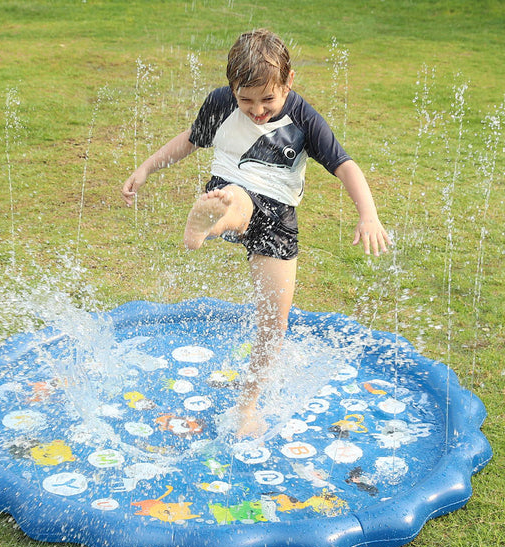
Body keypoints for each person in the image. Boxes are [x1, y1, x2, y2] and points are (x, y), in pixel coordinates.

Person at [121, 29, 391, 438]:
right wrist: (146, 167)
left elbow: (345, 165)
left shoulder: (303, 117)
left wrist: (368, 215)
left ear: (289, 82)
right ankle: (223, 216)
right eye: (245, 100)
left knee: (273, 324)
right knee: (239, 197)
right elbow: (191, 141)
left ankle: (247, 407)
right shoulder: (220, 103)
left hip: (279, 218)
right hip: (229, 189)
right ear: (232, 88)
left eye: (268, 99)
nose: (257, 110)